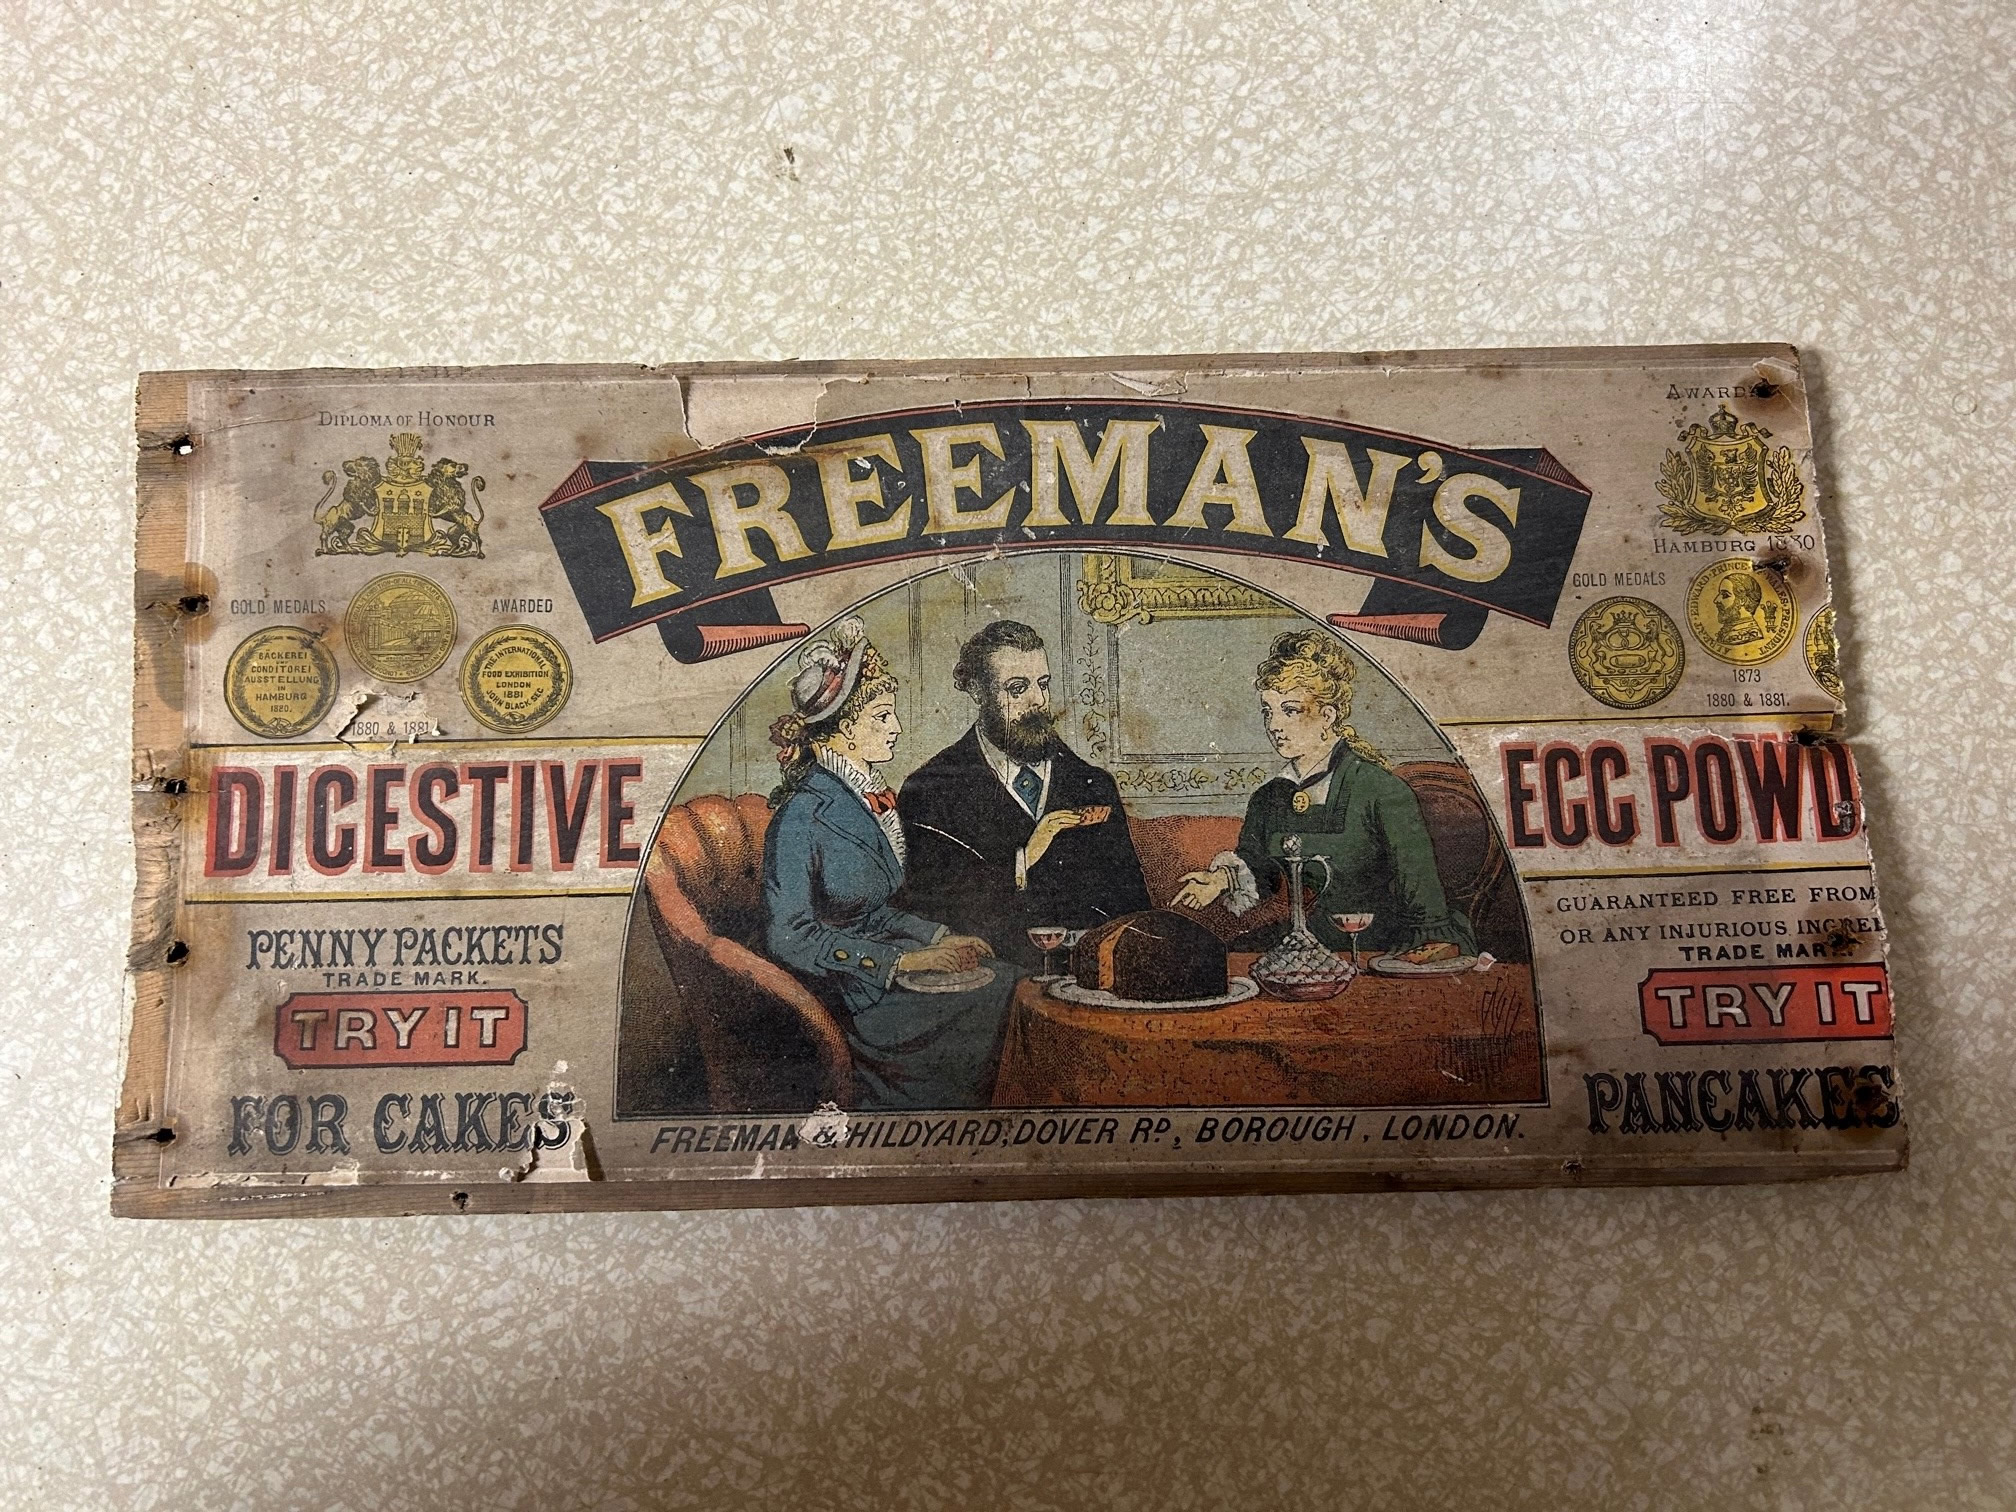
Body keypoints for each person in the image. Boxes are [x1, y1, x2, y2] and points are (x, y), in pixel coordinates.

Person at [761, 617, 1018, 1109]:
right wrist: (901, 962)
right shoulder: (801, 816)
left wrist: (935, 937)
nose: (896, 728)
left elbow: (868, 911)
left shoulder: (864, 799)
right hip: (855, 998)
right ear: (843, 731)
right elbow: (789, 936)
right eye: (882, 716)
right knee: (1004, 994)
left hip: (886, 980)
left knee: (1007, 979)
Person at [1170, 629, 1474, 962]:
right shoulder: (1268, 797)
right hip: (1293, 947)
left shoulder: (1379, 790)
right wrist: (1219, 880)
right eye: (1268, 711)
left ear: (1327, 716)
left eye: (1290, 710)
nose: (1274, 725)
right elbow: (1261, 869)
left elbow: (1423, 901)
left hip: (1368, 946)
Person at [897, 620, 1151, 969]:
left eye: (1043, 684)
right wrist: (1024, 859)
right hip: (986, 980)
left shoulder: (1094, 784)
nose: (1038, 701)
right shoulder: (930, 789)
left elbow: (1132, 908)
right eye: (1017, 688)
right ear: (978, 691)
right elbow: (931, 913)